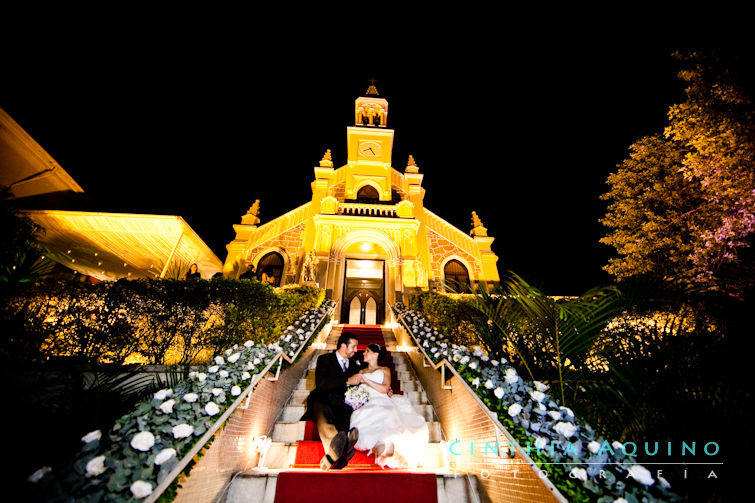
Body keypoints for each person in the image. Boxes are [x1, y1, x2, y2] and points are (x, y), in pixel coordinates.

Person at [349, 343, 429, 469]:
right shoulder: (361, 371)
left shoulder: (384, 369)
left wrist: (366, 380)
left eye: (367, 351)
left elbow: (385, 388)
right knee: (364, 417)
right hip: (367, 402)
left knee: (386, 414)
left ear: (376, 354)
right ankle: (381, 448)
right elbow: (350, 383)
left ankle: (386, 445)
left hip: (382, 399)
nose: (364, 353)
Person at [300, 332, 363, 470]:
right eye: (353, 347)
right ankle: (343, 447)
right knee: (322, 408)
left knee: (347, 411)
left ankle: (333, 456)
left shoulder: (355, 365)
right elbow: (322, 383)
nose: (356, 350)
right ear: (343, 346)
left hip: (342, 403)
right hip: (323, 399)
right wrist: (347, 381)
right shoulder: (325, 359)